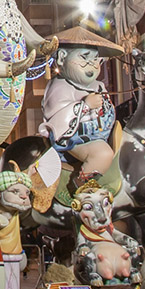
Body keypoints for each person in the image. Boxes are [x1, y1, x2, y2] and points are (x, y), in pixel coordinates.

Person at [39, 26, 124, 180]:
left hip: (102, 134)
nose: (92, 64)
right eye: (84, 58)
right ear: (62, 58)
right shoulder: (60, 86)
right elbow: (55, 116)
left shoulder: (99, 86)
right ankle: (84, 185)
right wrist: (85, 106)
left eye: (96, 59)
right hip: (76, 138)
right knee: (103, 154)